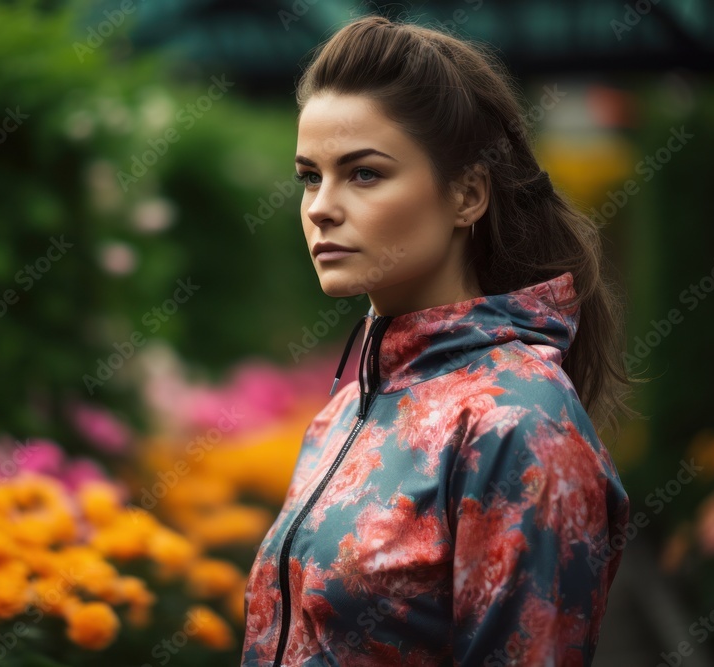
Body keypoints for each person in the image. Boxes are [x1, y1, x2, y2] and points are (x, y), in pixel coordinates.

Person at [241, 14, 643, 667]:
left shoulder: (518, 423)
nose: (320, 205)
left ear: (467, 194)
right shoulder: (345, 410)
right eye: (310, 176)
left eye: (364, 173)